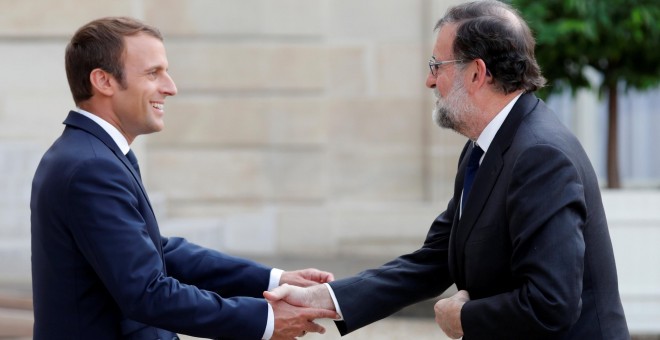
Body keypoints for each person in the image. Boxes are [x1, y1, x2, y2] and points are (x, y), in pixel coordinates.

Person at [264, 1, 629, 339]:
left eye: (436, 66)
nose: (429, 81)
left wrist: (463, 319)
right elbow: (436, 259)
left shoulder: (540, 156)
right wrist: (321, 298)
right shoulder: (486, 145)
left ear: (476, 73)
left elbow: (553, 304)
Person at [30, 16, 337, 340]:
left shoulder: (91, 154)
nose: (171, 87)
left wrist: (275, 280)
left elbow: (159, 252)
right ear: (103, 81)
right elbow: (147, 292)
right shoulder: (91, 167)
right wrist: (266, 320)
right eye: (153, 73)